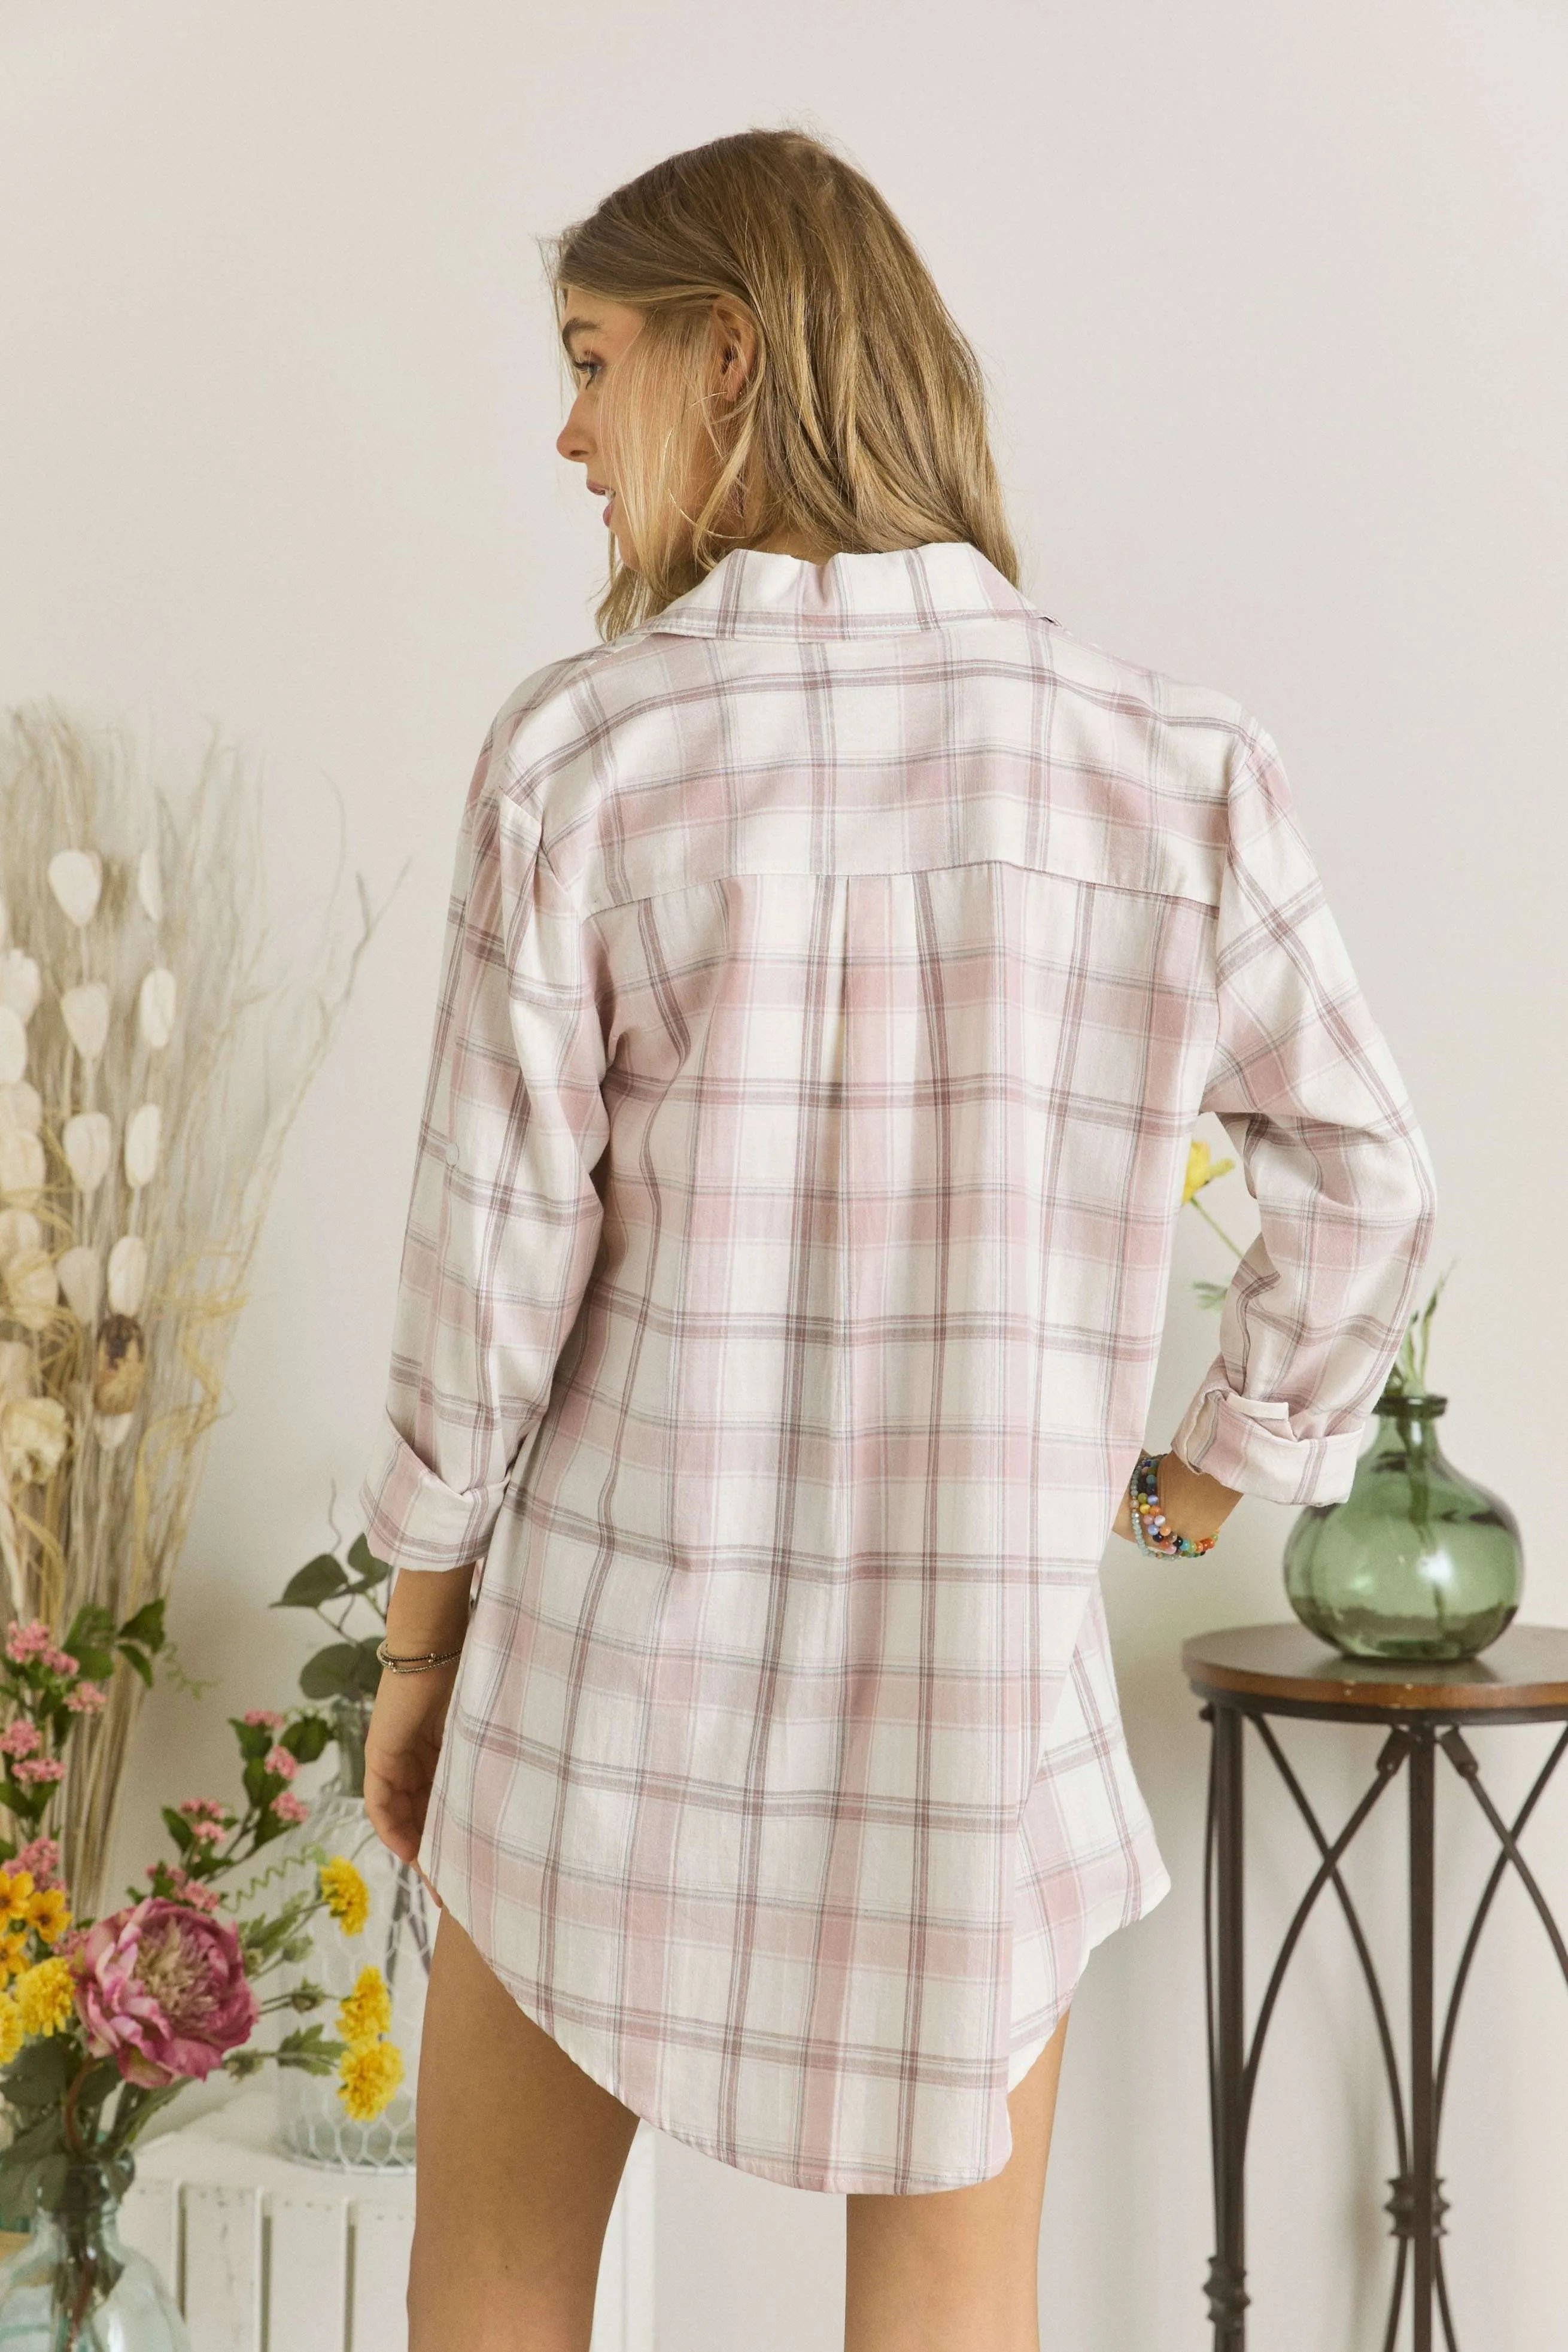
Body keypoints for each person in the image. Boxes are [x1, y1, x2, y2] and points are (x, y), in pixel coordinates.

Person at [358, 126, 1437, 2352]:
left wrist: (417, 1651)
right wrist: (1197, 1480)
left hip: (603, 1691)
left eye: (591, 360)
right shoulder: (1165, 766)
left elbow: (484, 1290)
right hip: (971, 1717)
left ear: (728, 356)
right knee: (951, 2309)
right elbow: (1370, 1184)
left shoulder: (582, 760)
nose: (567, 432)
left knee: (495, 2287)